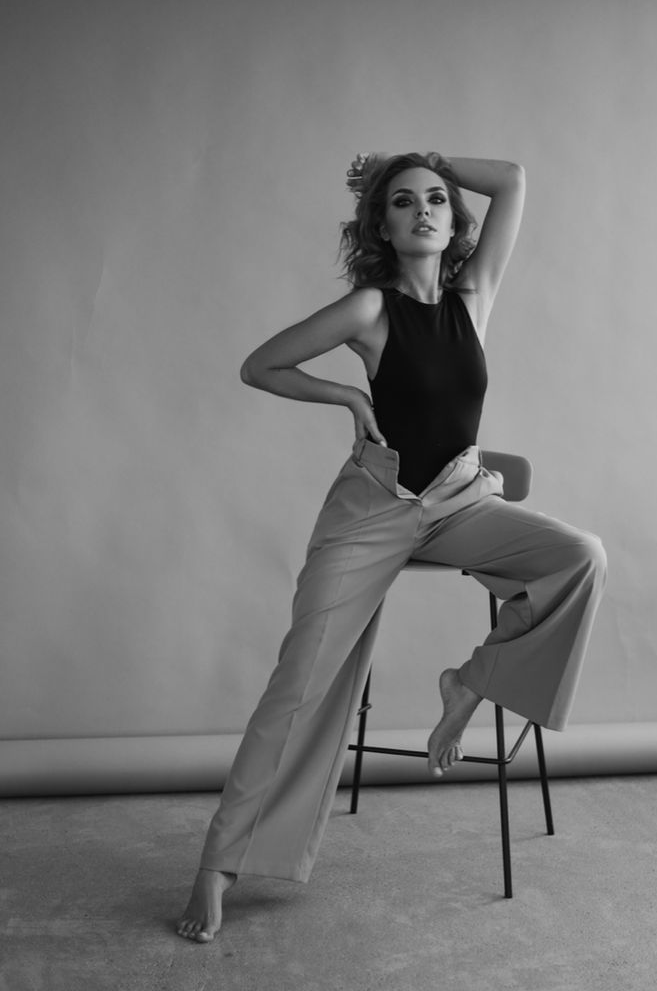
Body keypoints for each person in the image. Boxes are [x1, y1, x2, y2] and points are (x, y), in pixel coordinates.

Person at [176, 151, 607, 942]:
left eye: (437, 199)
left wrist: (427, 155)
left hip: (460, 500)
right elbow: (259, 365)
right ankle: (218, 864)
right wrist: (343, 390)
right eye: (403, 202)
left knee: (581, 555)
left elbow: (512, 177)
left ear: (453, 221)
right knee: (299, 681)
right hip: (374, 509)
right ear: (382, 224)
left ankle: (471, 683)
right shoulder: (369, 310)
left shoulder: (473, 295)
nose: (424, 211)